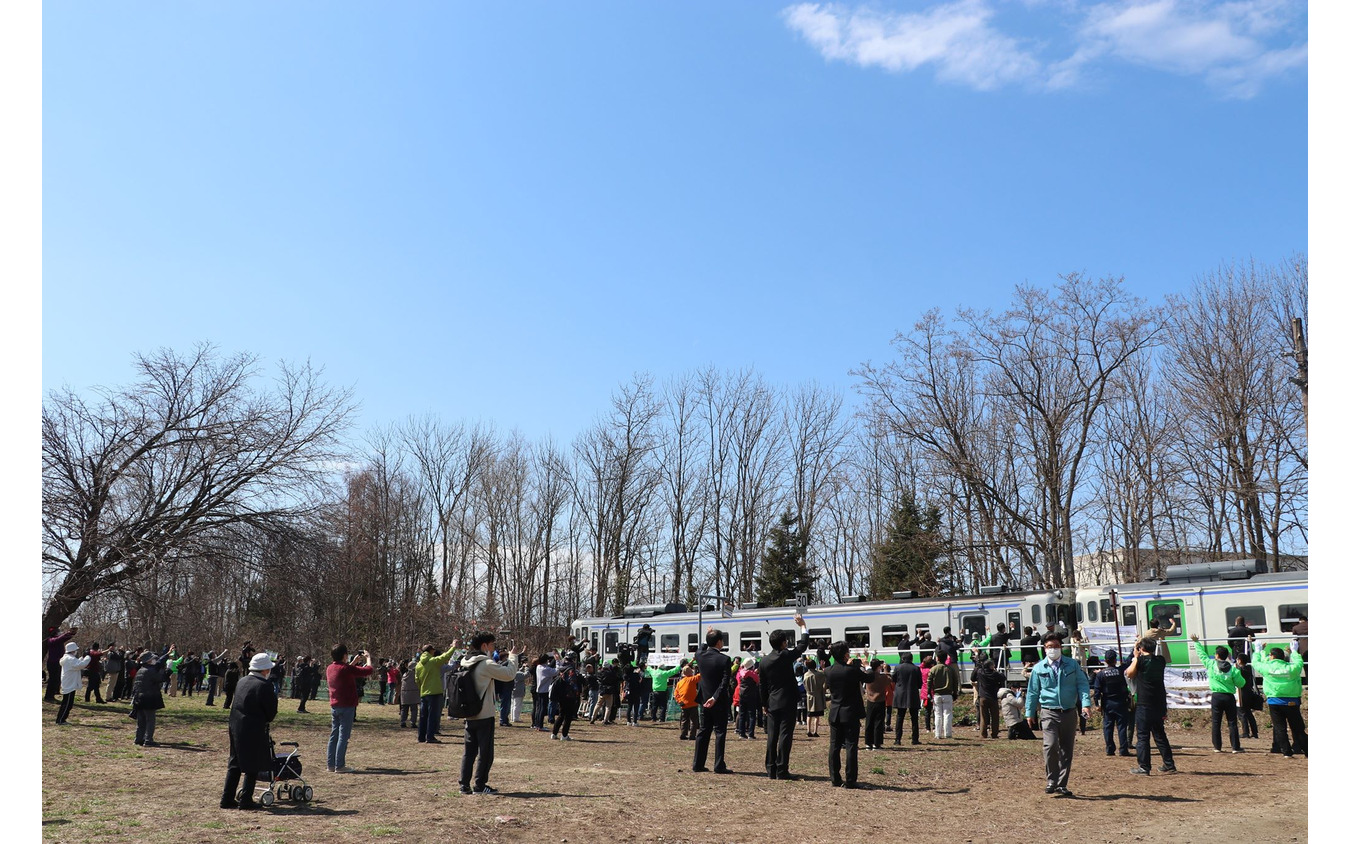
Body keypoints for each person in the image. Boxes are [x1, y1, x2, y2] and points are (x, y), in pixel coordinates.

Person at [1024, 633, 1093, 796]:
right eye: (1049, 647)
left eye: (1055, 646)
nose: (1053, 649)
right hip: (1048, 711)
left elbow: (1082, 684)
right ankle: (1051, 780)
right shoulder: (1039, 668)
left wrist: (1086, 704)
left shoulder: (1072, 665)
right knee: (1050, 745)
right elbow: (1033, 691)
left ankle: (1062, 784)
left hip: (1069, 712)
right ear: (1044, 649)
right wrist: (1030, 712)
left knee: (1066, 749)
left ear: (1061, 647)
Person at [457, 631, 520, 795]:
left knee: (469, 752)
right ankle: (480, 786)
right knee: (485, 753)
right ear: (484, 645)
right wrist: (513, 656)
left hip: (468, 712)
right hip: (484, 713)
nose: (494, 647)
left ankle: (464, 785)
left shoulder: (464, 662)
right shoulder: (485, 664)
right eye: (492, 644)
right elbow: (508, 675)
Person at [220, 653, 278, 810]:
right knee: (252, 764)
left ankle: (227, 798)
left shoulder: (242, 681)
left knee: (235, 762)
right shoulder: (264, 685)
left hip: (235, 724)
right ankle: (246, 799)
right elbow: (271, 712)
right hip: (253, 726)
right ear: (265, 669)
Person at [758, 614, 809, 778]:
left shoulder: (764, 661)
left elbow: (763, 685)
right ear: (783, 643)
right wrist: (802, 626)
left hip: (772, 702)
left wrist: (764, 703)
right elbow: (802, 646)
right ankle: (782, 769)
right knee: (785, 735)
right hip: (788, 701)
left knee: (772, 736)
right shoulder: (786, 656)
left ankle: (770, 768)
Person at [823, 640, 875, 788]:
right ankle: (850, 779)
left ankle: (835, 778)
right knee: (851, 746)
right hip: (850, 712)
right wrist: (867, 666)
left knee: (834, 746)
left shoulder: (828, 671)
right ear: (846, 654)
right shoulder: (852, 670)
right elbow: (870, 678)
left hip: (835, 711)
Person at [1125, 636, 1176, 775]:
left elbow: (1129, 673)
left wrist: (1135, 657)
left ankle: (1144, 767)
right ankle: (1169, 764)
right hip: (1159, 703)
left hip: (1144, 703)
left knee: (1142, 736)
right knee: (1160, 735)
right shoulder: (1161, 660)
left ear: (1141, 649)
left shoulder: (1140, 661)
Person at [1188, 634, 1245, 753]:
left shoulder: (1211, 665)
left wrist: (1196, 642)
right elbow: (1241, 684)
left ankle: (1217, 747)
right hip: (1229, 697)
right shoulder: (1233, 669)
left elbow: (1202, 655)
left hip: (1216, 696)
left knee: (1216, 722)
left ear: (1217, 655)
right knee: (1232, 722)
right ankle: (1235, 747)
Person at [326, 643, 374, 772]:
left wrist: (353, 662)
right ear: (344, 655)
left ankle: (331, 764)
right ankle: (340, 765)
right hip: (347, 706)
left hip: (335, 705)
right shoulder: (346, 669)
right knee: (343, 736)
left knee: (334, 735)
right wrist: (368, 658)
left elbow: (343, 671)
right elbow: (368, 671)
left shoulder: (330, 668)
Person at [691, 628, 734, 774]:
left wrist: (707, 636)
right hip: (718, 701)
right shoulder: (725, 659)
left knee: (703, 731)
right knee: (720, 733)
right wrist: (715, 697)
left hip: (703, 699)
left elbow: (700, 648)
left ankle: (697, 764)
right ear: (719, 642)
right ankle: (719, 764)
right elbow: (724, 682)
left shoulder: (700, 655)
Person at [1252, 642, 1306, 758]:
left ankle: (1286, 752)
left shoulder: (1267, 668)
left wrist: (1258, 651)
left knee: (1280, 728)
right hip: (1292, 701)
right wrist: (1295, 651)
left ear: (1271, 656)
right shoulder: (1291, 669)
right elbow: (1299, 662)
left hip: (1274, 701)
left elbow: (1256, 663)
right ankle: (1307, 750)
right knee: (1298, 728)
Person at [414, 640, 459, 744]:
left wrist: (422, 688)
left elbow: (417, 680)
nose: (434, 652)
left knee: (423, 716)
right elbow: (445, 656)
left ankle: (421, 737)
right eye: (433, 650)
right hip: (434, 692)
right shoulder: (433, 662)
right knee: (432, 716)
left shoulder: (418, 665)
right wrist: (453, 647)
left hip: (424, 693)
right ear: (430, 651)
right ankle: (430, 737)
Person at [1091, 650, 1130, 756]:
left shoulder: (1101, 674)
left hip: (1107, 703)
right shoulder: (1121, 670)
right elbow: (1129, 661)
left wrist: (1097, 704)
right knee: (1122, 727)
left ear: (1105, 660)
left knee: (1108, 727)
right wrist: (1134, 649)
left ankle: (1110, 749)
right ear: (1115, 659)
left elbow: (1097, 691)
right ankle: (1123, 749)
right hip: (1121, 702)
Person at [129, 651, 166, 746]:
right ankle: (148, 740)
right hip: (148, 698)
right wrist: (168, 671)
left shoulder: (141, 669)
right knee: (150, 720)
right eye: (153, 659)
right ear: (149, 660)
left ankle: (138, 738)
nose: (155, 660)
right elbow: (160, 678)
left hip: (139, 698)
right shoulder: (150, 671)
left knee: (141, 720)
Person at [55, 642, 91, 725]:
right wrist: (88, 657)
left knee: (67, 703)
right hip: (70, 684)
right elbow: (81, 664)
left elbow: (77, 662)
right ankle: (60, 720)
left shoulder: (68, 658)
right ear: (73, 650)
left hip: (69, 683)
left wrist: (83, 657)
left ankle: (61, 719)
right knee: (67, 704)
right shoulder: (70, 659)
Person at [863, 658, 893, 751]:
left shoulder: (869, 676)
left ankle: (868, 743)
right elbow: (889, 679)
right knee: (878, 723)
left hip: (870, 700)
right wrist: (886, 670)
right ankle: (877, 743)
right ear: (879, 667)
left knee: (869, 722)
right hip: (880, 701)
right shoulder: (882, 677)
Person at [892, 653, 921, 746]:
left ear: (903, 659)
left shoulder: (898, 667)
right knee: (914, 718)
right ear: (912, 659)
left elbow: (893, 679)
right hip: (913, 694)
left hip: (901, 694)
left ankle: (898, 739)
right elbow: (920, 683)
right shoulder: (916, 668)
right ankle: (915, 739)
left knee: (900, 717)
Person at [928, 654, 958, 739]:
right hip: (948, 694)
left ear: (937, 658)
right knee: (947, 714)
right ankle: (948, 733)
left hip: (937, 694)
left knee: (938, 715)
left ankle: (938, 734)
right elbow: (955, 682)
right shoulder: (950, 669)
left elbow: (929, 682)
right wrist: (955, 693)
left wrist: (929, 692)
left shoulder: (933, 669)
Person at [44, 626, 78, 702]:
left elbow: (62, 638)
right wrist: (69, 633)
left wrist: (71, 634)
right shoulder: (51, 640)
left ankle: (54, 693)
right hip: (53, 663)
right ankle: (48, 696)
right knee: (52, 680)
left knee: (56, 679)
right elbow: (61, 638)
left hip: (57, 662)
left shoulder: (56, 640)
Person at [974, 659, 1006, 739]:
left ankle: (983, 734)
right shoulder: (994, 674)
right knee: (995, 717)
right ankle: (994, 734)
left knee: (983, 716)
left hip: (983, 697)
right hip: (993, 697)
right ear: (990, 666)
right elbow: (1003, 677)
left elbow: (974, 674)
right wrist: (996, 671)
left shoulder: (981, 672)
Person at [550, 660, 581, 740]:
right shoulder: (571, 670)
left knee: (561, 715)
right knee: (568, 717)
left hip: (561, 696)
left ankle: (554, 733)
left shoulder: (561, 669)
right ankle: (564, 735)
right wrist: (576, 693)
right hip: (569, 697)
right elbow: (572, 683)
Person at [1234, 652, 1261, 740]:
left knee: (1241, 713)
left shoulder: (1240, 670)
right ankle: (1254, 732)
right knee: (1249, 713)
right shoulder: (1249, 669)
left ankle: (1245, 732)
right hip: (1249, 693)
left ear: (1240, 660)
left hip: (1241, 694)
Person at [735, 659, 761, 739]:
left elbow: (738, 680)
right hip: (751, 696)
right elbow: (757, 681)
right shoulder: (753, 674)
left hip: (741, 695)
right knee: (752, 715)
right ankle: (751, 734)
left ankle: (741, 733)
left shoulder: (740, 673)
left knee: (742, 714)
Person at [674, 664, 700, 740]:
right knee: (694, 721)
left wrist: (680, 701)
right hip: (693, 703)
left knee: (684, 720)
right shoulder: (692, 679)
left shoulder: (680, 682)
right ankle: (692, 735)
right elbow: (701, 675)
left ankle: (683, 734)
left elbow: (676, 693)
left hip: (684, 704)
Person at [803, 658, 825, 738]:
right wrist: (822, 667)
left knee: (809, 714)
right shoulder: (819, 674)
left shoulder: (805, 675)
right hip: (818, 695)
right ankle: (815, 731)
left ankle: (808, 730)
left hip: (809, 696)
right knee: (817, 715)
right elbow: (824, 675)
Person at [533, 656, 557, 731]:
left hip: (539, 690)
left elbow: (549, 667)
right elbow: (556, 671)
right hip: (544, 691)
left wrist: (554, 660)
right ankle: (540, 725)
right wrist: (557, 660)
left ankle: (537, 724)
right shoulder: (545, 669)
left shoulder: (539, 667)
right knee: (543, 708)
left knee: (539, 708)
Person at [399, 659, 420, 728]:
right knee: (414, 709)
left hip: (404, 693)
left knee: (404, 709)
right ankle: (413, 722)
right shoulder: (415, 674)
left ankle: (402, 721)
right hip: (413, 693)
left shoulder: (405, 674)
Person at [1291, 614, 1308, 680]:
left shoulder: (1296, 628)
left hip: (1303, 649)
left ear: (1300, 621)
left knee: (1307, 667)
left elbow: (1295, 639)